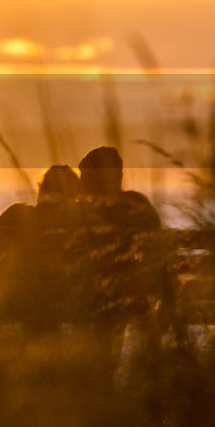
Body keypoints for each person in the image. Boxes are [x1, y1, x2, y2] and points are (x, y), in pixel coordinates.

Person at [74, 146, 161, 345]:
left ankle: (101, 369)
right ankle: (152, 364)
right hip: (140, 296)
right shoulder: (139, 204)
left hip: (96, 298)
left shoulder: (80, 213)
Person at [0, 164, 84, 332]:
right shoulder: (79, 228)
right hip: (61, 309)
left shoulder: (19, 215)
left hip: (17, 307)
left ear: (40, 190)